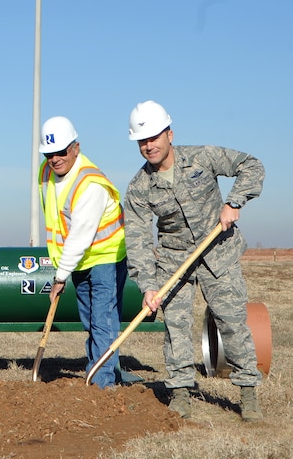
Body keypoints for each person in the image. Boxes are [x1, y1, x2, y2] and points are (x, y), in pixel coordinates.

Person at [124, 100, 264, 421]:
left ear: (169, 134)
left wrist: (234, 201)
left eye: (154, 138)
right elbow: (138, 238)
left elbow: (251, 165)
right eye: (142, 141)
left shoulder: (202, 157)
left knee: (230, 321)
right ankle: (181, 393)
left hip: (219, 251)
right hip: (175, 262)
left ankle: (248, 393)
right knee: (176, 327)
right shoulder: (139, 187)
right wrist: (148, 285)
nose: (148, 146)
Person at [38, 116, 127, 389]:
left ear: (76, 147)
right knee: (90, 320)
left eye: (62, 151)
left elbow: (80, 236)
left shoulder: (90, 184)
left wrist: (60, 276)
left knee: (103, 321)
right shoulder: (46, 173)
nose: (55, 159)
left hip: (105, 259)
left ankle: (102, 384)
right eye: (49, 153)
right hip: (80, 262)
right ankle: (99, 371)